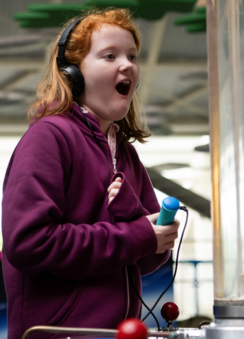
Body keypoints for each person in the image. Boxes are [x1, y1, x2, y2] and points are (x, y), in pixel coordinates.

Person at [2, 8, 180, 339]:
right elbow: (29, 244)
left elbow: (142, 259)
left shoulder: (126, 154)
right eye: (109, 55)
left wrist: (150, 232)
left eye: (132, 56)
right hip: (59, 333)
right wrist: (135, 235)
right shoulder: (48, 138)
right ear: (73, 74)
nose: (127, 64)